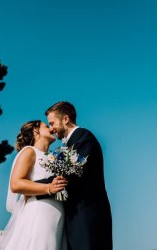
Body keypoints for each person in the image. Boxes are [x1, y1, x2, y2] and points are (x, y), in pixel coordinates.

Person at [45, 101, 113, 250]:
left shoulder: (84, 137)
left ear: (65, 119)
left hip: (87, 214)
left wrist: (36, 187)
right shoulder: (68, 144)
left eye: (52, 123)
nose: (51, 129)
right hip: (76, 215)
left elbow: (70, 175)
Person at [1, 120, 68, 250]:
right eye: (46, 126)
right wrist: (49, 187)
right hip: (39, 212)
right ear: (36, 130)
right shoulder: (30, 151)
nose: (52, 128)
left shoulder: (55, 158)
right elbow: (16, 184)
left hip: (57, 213)